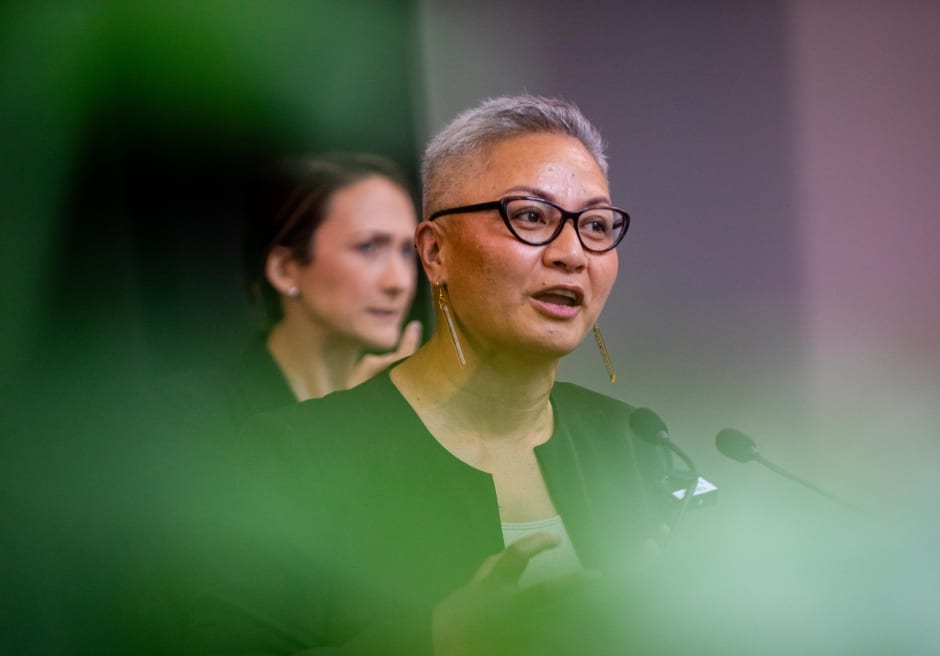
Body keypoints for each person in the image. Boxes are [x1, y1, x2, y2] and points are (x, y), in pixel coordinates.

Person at [187, 97, 674, 655]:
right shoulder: (292, 456)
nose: (573, 253)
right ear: (435, 252)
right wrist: (437, 641)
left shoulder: (633, 441)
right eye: (532, 217)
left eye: (594, 225)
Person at [163, 153, 423, 431]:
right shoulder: (188, 412)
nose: (399, 282)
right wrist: (340, 423)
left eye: (408, 251)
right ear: (285, 269)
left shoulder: (405, 410)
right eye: (368, 247)